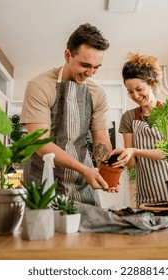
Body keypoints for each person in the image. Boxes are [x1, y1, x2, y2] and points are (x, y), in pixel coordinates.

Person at [20, 23, 115, 207]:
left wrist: (107, 168)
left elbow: (101, 139)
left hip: (82, 184)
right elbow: (41, 144)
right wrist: (84, 169)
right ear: (67, 55)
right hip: (43, 182)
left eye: (96, 67)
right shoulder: (39, 86)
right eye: (85, 65)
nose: (90, 73)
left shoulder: (98, 94)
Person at [109, 53, 168, 207]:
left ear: (151, 83)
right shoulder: (128, 117)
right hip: (147, 196)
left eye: (139, 89)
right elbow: (132, 164)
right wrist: (123, 155)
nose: (135, 96)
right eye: (130, 92)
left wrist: (134, 150)